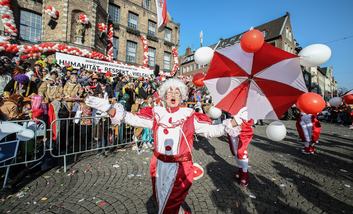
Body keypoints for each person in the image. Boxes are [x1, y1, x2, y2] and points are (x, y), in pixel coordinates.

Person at [86, 78, 248, 214]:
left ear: (182, 96)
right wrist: (109, 108)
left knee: (167, 208)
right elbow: (132, 119)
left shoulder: (189, 115)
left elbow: (212, 130)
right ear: (163, 96)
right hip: (158, 165)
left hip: (180, 167)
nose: (173, 94)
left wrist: (235, 121)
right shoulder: (156, 113)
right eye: (169, 92)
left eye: (177, 92)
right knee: (162, 201)